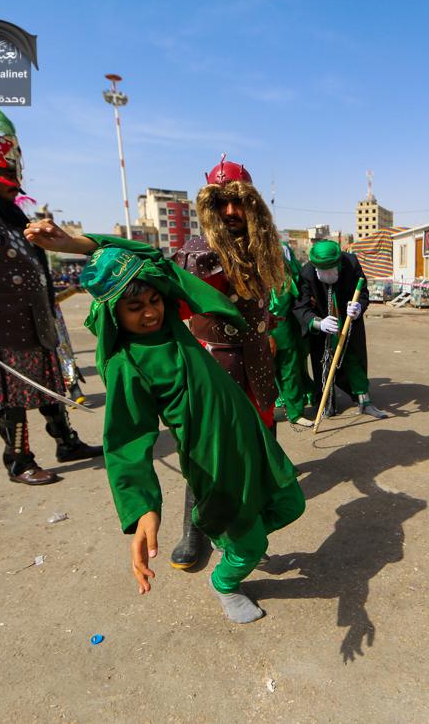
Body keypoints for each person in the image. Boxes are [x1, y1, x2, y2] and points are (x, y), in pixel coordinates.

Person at [27, 156, 287, 570]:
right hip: (214, 365)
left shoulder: (266, 248)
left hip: (258, 363)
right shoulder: (196, 254)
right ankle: (196, 530)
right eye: (221, 204)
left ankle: (248, 527)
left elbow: (263, 304)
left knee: (258, 445)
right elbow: (146, 268)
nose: (233, 213)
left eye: (240, 202)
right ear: (209, 208)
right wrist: (73, 245)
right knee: (207, 454)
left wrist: (269, 333)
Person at [78, 246, 303, 623]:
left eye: (154, 300)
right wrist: (143, 509)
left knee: (290, 503)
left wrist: (78, 244)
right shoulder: (127, 363)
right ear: (113, 312)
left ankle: (229, 538)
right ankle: (224, 582)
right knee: (251, 546)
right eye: (135, 308)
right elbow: (126, 440)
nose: (150, 312)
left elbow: (157, 261)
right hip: (214, 460)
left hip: (250, 438)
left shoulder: (170, 328)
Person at [0, 107, 101, 486]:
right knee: (12, 396)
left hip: (36, 318)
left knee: (49, 385)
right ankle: (19, 460)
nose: (14, 184)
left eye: (16, 175)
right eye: (6, 175)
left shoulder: (16, 218)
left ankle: (66, 442)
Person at [295, 239, 390, 419]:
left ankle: (364, 401)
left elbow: (362, 293)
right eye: (322, 271)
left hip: (350, 323)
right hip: (323, 327)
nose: (327, 274)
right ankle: (327, 404)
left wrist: (358, 307)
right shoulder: (307, 272)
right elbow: (301, 307)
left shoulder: (351, 263)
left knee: (355, 360)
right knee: (323, 363)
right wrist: (318, 323)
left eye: (331, 270)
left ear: (338, 263)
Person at [269, 239, 315, 428]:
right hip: (262, 331)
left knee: (290, 372)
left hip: (286, 330)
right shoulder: (255, 279)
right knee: (264, 374)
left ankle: (295, 412)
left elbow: (299, 302)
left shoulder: (290, 279)